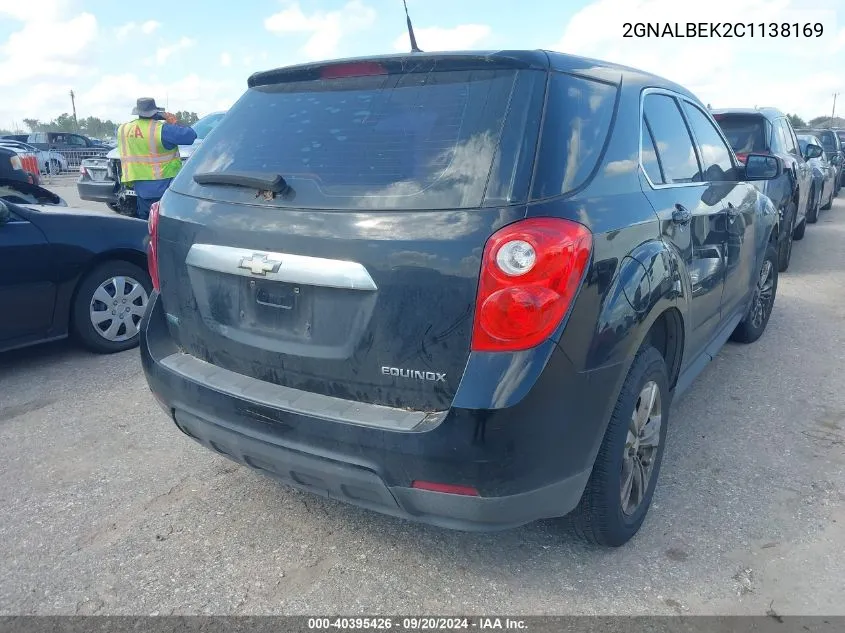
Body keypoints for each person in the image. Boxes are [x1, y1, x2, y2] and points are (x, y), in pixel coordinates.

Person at [117, 97, 197, 220]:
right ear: (155, 113)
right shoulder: (161, 129)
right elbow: (191, 136)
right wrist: (174, 122)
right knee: (164, 224)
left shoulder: (124, 129)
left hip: (140, 187)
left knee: (145, 223)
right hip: (163, 186)